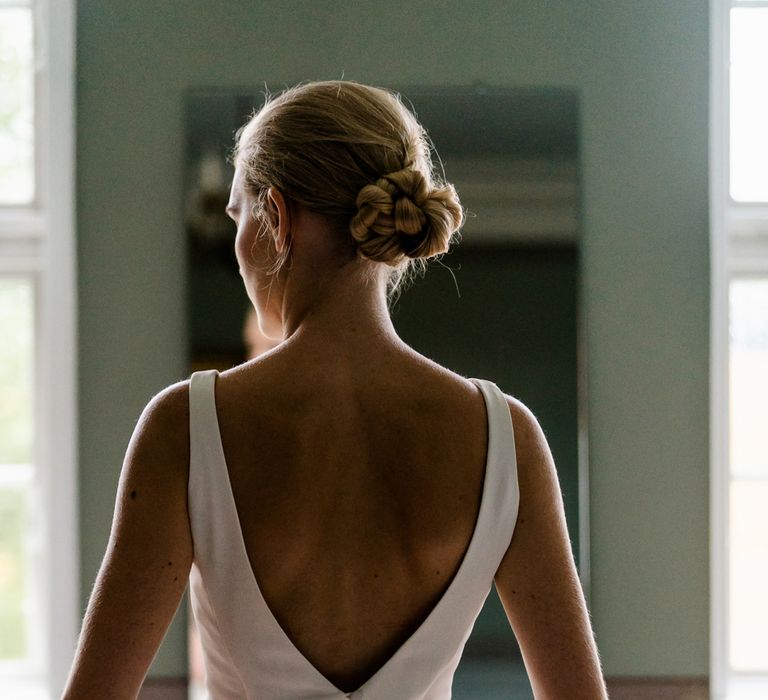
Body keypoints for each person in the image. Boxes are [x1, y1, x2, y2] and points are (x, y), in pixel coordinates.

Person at [62, 80, 608, 699]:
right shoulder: (508, 439)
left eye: (239, 216)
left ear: (279, 217)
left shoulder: (183, 430)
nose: (238, 250)